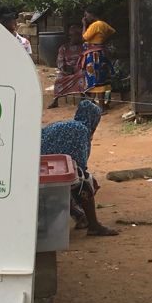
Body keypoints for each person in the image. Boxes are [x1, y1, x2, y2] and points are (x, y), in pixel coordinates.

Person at [40, 100, 119, 237]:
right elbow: (80, 165)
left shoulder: (61, 124)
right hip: (51, 171)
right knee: (85, 181)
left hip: (38, 167)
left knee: (69, 180)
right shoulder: (82, 131)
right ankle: (94, 225)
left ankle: (79, 216)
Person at [81, 8, 116, 109]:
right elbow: (112, 31)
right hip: (100, 52)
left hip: (94, 55)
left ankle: (100, 107)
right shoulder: (104, 24)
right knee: (101, 78)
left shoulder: (96, 25)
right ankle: (100, 105)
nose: (85, 18)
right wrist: (102, 40)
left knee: (96, 80)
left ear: (92, 14)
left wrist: (84, 25)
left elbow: (84, 37)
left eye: (86, 15)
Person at [48, 23, 87, 109]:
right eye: (71, 35)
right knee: (58, 79)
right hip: (67, 70)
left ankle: (83, 98)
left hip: (79, 69)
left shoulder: (84, 47)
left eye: (76, 35)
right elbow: (60, 61)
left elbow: (86, 60)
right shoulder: (64, 48)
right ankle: (55, 101)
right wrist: (63, 69)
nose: (73, 37)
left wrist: (79, 67)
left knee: (82, 76)